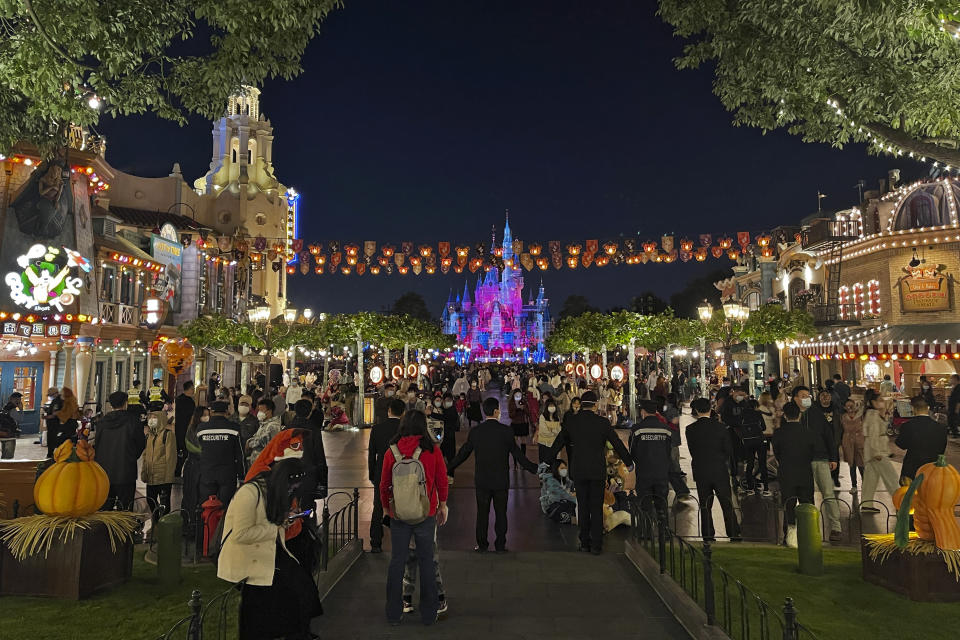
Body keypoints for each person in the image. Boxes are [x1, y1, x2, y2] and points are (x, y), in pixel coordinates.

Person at [218, 456, 323, 640]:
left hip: (265, 552)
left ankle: (297, 632)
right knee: (283, 596)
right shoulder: (249, 493)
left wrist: (286, 517)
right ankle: (294, 632)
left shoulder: (270, 491)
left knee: (300, 590)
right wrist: (277, 526)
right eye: (292, 488)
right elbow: (240, 534)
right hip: (248, 558)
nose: (292, 492)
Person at [379, 410, 449, 626]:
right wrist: (443, 505)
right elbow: (441, 480)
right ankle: (429, 613)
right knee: (427, 562)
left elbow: (384, 485)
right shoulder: (432, 450)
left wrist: (387, 509)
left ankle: (394, 611)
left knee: (397, 562)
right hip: (425, 514)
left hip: (399, 516)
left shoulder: (392, 451)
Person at [448, 397, 537, 552]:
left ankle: (482, 545)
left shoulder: (476, 432)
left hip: (482, 479)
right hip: (501, 480)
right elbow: (517, 455)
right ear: (497, 411)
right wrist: (534, 468)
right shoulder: (506, 431)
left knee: (482, 513)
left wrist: (447, 468)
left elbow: (463, 454)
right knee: (501, 513)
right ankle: (500, 544)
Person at [549, 390, 634, 554]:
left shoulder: (572, 421)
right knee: (596, 507)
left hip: (579, 470)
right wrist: (629, 462)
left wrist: (547, 460)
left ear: (581, 404)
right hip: (597, 471)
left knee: (583, 505)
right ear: (595, 405)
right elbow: (616, 443)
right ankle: (596, 544)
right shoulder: (602, 423)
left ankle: (584, 541)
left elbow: (559, 441)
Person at [686, 398, 741, 542]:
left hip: (701, 469)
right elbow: (728, 449)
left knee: (705, 505)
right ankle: (733, 533)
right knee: (726, 503)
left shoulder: (690, 429)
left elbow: (692, 450)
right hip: (719, 469)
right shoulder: (721, 427)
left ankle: (708, 534)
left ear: (696, 411)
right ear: (711, 409)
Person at [792, 386, 842, 541]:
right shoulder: (792, 414)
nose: (806, 398)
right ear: (795, 398)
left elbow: (829, 436)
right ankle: (810, 525)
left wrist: (833, 457)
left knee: (828, 492)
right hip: (802, 460)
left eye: (808, 395)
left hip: (820, 458)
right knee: (805, 494)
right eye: (802, 396)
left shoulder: (816, 414)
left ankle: (836, 527)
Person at [772, 402, 815, 548]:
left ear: (784, 415)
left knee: (788, 505)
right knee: (807, 504)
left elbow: (776, 452)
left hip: (787, 472)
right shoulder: (808, 432)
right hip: (804, 472)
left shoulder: (779, 433)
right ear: (799, 415)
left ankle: (789, 537)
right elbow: (812, 452)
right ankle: (809, 534)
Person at [94, 391, 147, 509]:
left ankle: (107, 528)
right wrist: (131, 456)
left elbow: (97, 445)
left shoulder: (102, 423)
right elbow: (141, 443)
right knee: (125, 508)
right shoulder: (133, 421)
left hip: (104, 472)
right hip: (126, 471)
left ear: (111, 405)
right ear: (125, 403)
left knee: (105, 509)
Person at [368, 399, 404, 553]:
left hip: (381, 473)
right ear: (403, 413)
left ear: (389, 411)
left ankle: (376, 541)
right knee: (402, 505)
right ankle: (402, 540)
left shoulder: (377, 429)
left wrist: (372, 473)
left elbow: (371, 454)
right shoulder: (405, 429)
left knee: (378, 506)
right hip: (402, 472)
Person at [630, 400, 674, 525]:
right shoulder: (666, 429)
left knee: (645, 502)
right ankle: (664, 531)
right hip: (661, 472)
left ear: (642, 411)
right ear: (655, 412)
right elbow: (668, 449)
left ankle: (646, 532)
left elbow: (632, 450)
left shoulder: (637, 429)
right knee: (661, 503)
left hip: (644, 472)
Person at [197, 401, 246, 507]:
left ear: (211, 412)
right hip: (227, 474)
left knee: (207, 506)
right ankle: (223, 523)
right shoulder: (234, 428)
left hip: (207, 473)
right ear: (226, 412)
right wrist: (242, 475)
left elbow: (197, 451)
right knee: (226, 506)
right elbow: (240, 454)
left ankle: (208, 523)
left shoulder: (201, 429)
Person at [860, 389, 899, 513]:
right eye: (880, 400)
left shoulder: (873, 413)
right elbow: (873, 434)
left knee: (870, 478)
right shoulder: (872, 415)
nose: (883, 402)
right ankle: (900, 503)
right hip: (877, 451)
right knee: (891, 477)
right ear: (873, 402)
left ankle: (866, 503)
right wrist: (876, 452)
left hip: (875, 450)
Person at [895, 395, 947, 482]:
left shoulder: (907, 425)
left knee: (910, 493)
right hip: (933, 468)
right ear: (928, 408)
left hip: (912, 469)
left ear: (913, 408)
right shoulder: (940, 427)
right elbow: (942, 448)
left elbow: (901, 444)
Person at [142, 405, 177, 533]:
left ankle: (163, 526)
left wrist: (169, 477)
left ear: (161, 419)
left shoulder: (168, 435)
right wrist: (144, 472)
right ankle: (155, 522)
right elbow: (146, 454)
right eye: (150, 417)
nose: (151, 420)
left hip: (163, 476)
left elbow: (171, 457)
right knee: (150, 501)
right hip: (151, 475)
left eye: (154, 417)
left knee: (164, 503)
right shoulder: (150, 436)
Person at [809, 388, 843, 488]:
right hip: (820, 440)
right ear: (819, 398)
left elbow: (840, 424)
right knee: (823, 460)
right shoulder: (815, 409)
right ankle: (824, 479)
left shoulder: (836, 409)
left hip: (834, 438)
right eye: (822, 396)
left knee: (835, 458)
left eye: (827, 396)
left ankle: (835, 477)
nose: (825, 398)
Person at [538, 457, 576, 523]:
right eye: (562, 468)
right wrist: (572, 497)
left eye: (565, 468)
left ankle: (574, 518)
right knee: (565, 506)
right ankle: (573, 519)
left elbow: (571, 492)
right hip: (550, 506)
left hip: (563, 502)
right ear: (556, 469)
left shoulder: (566, 480)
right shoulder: (550, 481)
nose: (564, 470)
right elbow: (557, 497)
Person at [47, 387, 80, 459]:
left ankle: (63, 455)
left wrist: (56, 414)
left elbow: (66, 414)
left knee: (63, 440)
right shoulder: (69, 402)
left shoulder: (69, 403)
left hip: (68, 425)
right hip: (68, 425)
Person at [840, 398, 865, 493]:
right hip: (848, 443)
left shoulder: (860, 416)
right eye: (848, 406)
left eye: (852, 405)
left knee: (861, 464)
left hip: (859, 441)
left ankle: (865, 484)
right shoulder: (843, 417)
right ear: (845, 407)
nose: (850, 408)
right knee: (852, 465)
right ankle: (853, 485)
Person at [247, 399, 282, 463]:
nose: (259, 413)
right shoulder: (263, 423)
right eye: (259, 410)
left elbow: (264, 441)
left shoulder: (273, 426)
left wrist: (249, 443)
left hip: (264, 463)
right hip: (257, 462)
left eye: (261, 410)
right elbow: (257, 437)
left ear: (269, 411)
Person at [174, 381, 196, 475]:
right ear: (190, 389)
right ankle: (183, 471)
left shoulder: (177, 399)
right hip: (186, 429)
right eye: (193, 388)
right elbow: (192, 417)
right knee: (186, 451)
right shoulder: (191, 402)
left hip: (177, 429)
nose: (194, 390)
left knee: (178, 450)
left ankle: (176, 471)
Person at [534, 398, 563, 464]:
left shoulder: (557, 417)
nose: (552, 408)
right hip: (544, 444)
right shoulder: (542, 417)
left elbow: (559, 430)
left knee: (555, 464)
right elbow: (544, 432)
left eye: (553, 406)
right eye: (550, 406)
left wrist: (551, 430)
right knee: (545, 464)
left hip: (555, 444)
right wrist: (554, 432)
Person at [508, 386, 531, 463]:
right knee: (515, 442)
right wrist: (516, 409)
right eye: (516, 395)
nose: (518, 397)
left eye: (519, 395)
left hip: (523, 423)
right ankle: (515, 460)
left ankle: (523, 458)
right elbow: (511, 415)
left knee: (523, 441)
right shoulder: (511, 403)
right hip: (515, 424)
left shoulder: (524, 402)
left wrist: (523, 408)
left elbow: (528, 413)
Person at [949, 373, 960, 438]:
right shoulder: (955, 387)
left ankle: (955, 434)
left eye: (951, 379)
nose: (950, 380)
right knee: (952, 420)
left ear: (955, 379)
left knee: (953, 420)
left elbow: (959, 399)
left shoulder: (959, 388)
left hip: (955, 407)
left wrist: (957, 408)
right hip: (952, 407)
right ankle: (955, 433)